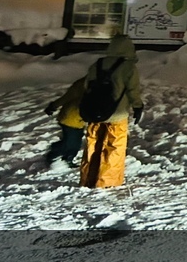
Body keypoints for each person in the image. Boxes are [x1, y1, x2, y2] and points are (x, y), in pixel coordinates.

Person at [79, 34, 144, 188]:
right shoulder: (128, 67)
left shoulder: (97, 64)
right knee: (114, 146)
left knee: (93, 144)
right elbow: (132, 90)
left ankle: (88, 179)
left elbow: (87, 87)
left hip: (96, 113)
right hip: (118, 114)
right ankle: (107, 181)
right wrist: (137, 106)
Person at [42, 76, 86, 166]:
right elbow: (67, 97)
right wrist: (53, 106)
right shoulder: (82, 84)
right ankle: (53, 155)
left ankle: (68, 158)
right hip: (69, 117)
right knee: (70, 143)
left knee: (76, 142)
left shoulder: (94, 83)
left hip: (79, 119)